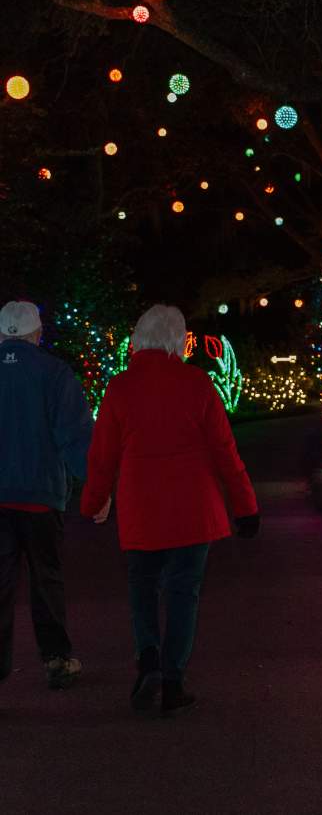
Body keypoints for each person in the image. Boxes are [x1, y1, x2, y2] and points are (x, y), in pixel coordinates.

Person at [80, 304, 259, 716]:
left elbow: (102, 457)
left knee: (142, 586)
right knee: (183, 591)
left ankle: (148, 659)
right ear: (178, 339)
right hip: (193, 509)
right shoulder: (197, 383)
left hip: (141, 507)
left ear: (138, 339)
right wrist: (245, 506)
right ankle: (174, 679)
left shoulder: (120, 387)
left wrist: (93, 501)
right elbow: (225, 452)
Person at [0, 300, 95, 690]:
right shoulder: (55, 372)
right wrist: (97, 486)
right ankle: (56, 658)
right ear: (37, 334)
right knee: (46, 580)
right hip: (41, 495)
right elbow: (74, 435)